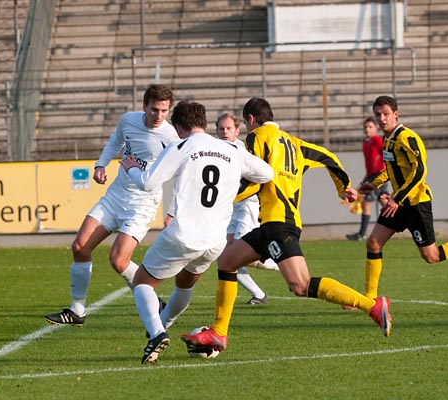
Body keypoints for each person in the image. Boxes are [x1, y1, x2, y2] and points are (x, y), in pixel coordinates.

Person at [181, 97, 392, 356]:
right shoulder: (294, 143)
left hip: (278, 224)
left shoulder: (256, 137)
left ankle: (372, 305)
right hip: (275, 223)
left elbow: (255, 180)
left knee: (301, 285)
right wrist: (344, 187)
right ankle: (219, 332)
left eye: (246, 123)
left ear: (250, 120)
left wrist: (220, 199)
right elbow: (328, 157)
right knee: (227, 261)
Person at [120, 101, 273, 364]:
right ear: (203, 122)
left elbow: (148, 183)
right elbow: (266, 174)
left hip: (184, 234)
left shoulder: (181, 146)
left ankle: (157, 333)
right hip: (214, 241)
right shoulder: (231, 148)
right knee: (185, 283)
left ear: (179, 127)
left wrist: (132, 167)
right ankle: (163, 324)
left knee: (142, 283)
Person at [44, 84, 178, 326]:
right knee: (80, 247)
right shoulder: (128, 120)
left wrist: (172, 211)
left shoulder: (170, 137)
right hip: (115, 197)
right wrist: (100, 165)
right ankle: (77, 311)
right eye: (154, 109)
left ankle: (154, 303)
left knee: (118, 260)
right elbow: (115, 142)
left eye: (164, 111)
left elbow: (179, 175)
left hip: (142, 205)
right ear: (144, 106)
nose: (159, 116)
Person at [357, 95, 448, 301]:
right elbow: (392, 169)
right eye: (378, 115)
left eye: (386, 114)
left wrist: (396, 198)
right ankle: (369, 299)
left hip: (416, 203)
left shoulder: (407, 137)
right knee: (373, 243)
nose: (382, 119)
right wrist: (374, 183)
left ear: (396, 114)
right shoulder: (387, 139)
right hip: (398, 204)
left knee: (431, 256)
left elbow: (419, 171)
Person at [215, 113, 279, 305]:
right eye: (221, 128)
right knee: (225, 256)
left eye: (229, 128)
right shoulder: (216, 150)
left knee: (242, 256)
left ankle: (278, 261)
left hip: (247, 206)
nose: (225, 132)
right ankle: (259, 295)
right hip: (230, 208)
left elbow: (261, 174)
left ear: (237, 131)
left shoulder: (242, 150)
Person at [346, 117, 390, 241]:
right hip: (372, 176)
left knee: (367, 203)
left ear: (376, 128)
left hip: (379, 176)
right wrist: (366, 177)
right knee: (385, 202)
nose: (367, 129)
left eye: (370, 127)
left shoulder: (377, 140)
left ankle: (362, 234)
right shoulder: (366, 142)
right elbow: (369, 162)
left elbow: (386, 153)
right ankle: (401, 223)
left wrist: (385, 171)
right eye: (365, 127)